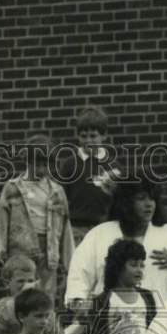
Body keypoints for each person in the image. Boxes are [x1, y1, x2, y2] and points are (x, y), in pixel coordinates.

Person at [0, 133, 74, 303]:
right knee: (21, 298)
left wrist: (71, 264)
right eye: (37, 164)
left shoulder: (57, 191)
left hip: (48, 254)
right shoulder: (13, 188)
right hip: (20, 252)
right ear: (27, 161)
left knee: (45, 299)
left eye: (45, 164)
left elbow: (65, 230)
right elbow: (0, 224)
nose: (42, 169)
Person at [65, 178, 167, 314]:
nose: (149, 204)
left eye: (152, 199)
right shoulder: (100, 234)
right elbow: (79, 272)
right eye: (141, 199)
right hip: (109, 318)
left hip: (157, 318)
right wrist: (79, 302)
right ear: (126, 203)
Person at [56, 104, 122, 244]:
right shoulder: (70, 165)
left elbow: (120, 201)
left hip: (105, 228)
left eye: (93, 136)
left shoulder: (113, 166)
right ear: (77, 136)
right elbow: (61, 199)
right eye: (83, 136)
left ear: (104, 136)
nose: (88, 141)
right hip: (75, 229)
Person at [0, 253, 38, 334]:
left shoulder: (39, 304)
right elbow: (8, 320)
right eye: (20, 281)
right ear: (7, 283)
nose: (26, 285)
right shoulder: (3, 306)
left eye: (30, 281)